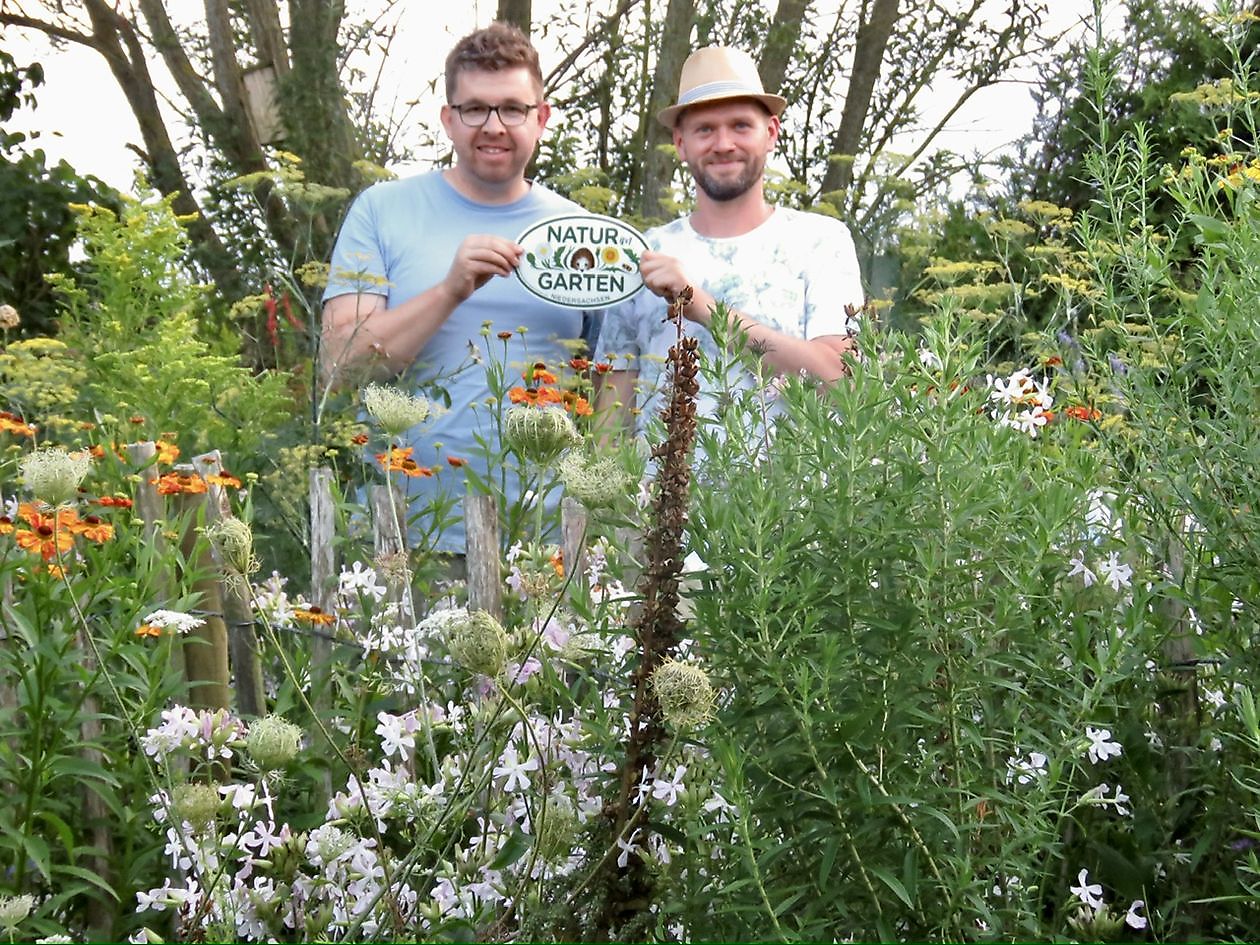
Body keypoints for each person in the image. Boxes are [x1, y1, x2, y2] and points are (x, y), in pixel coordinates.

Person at [321, 22, 590, 554]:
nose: (493, 125)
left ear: (542, 118)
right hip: (404, 531)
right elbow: (340, 366)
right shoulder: (382, 209)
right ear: (448, 118)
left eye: (512, 109)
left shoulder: (580, 234)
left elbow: (613, 386)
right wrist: (450, 289)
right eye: (475, 109)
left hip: (546, 541)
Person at [594, 46, 864, 438]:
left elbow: (840, 380)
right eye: (705, 129)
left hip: (789, 498)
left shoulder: (821, 242)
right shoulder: (643, 254)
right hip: (658, 498)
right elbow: (610, 419)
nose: (723, 144)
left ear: (770, 133)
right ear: (681, 142)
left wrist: (698, 303)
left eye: (740, 125)